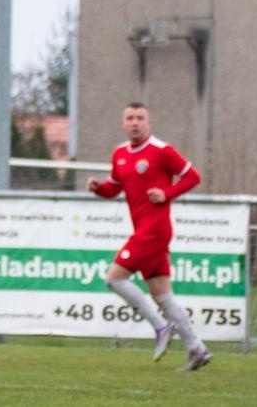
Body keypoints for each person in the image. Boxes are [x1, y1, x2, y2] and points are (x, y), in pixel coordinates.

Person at [86, 102, 211, 372]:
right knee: (162, 295)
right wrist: (98, 188)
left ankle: (161, 327)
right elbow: (114, 187)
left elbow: (193, 176)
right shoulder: (120, 153)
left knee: (114, 278)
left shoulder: (161, 151)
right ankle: (197, 349)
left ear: (149, 123)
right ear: (123, 124)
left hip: (154, 230)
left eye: (140, 118)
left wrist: (167, 193)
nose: (135, 123)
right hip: (143, 229)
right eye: (130, 118)